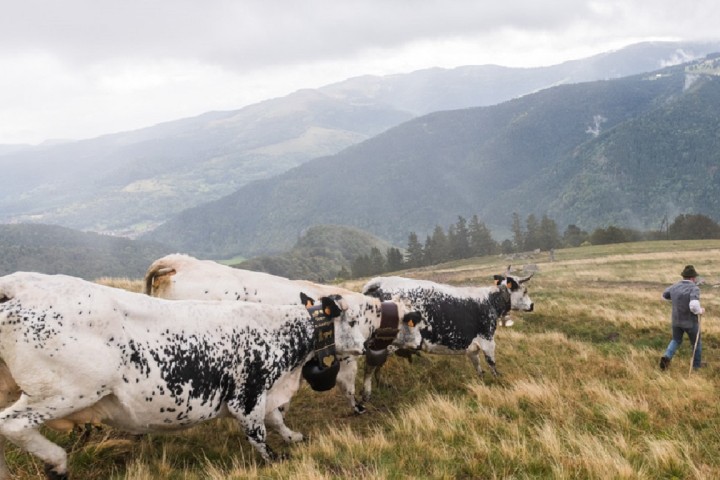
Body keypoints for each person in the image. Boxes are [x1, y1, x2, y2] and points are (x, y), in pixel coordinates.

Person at [659, 265, 706, 370]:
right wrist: (700, 311)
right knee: (696, 344)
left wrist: (676, 300)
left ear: (684, 276)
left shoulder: (674, 286)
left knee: (676, 340)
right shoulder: (694, 288)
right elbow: (693, 305)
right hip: (690, 322)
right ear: (692, 278)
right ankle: (696, 367)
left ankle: (667, 357)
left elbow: (664, 296)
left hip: (676, 320)